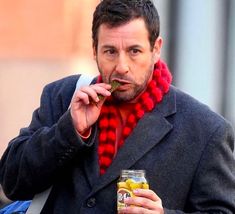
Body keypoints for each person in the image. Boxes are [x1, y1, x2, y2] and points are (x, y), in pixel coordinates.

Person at [0, 0, 235, 213]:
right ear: (94, 51)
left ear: (156, 49)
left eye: (134, 51)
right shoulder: (63, 96)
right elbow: (12, 182)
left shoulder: (207, 130)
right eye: (110, 51)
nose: (122, 66)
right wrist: (68, 131)